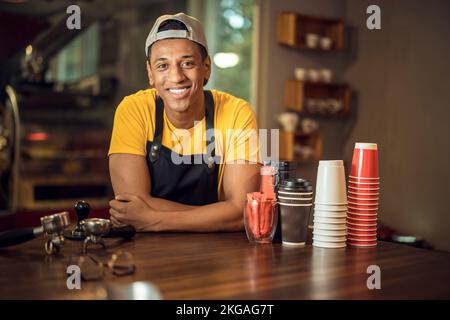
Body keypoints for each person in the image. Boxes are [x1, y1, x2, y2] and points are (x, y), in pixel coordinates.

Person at [108, 13, 260, 232]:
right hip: (147, 255)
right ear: (150, 73)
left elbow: (240, 212)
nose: (176, 76)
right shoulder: (134, 110)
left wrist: (152, 219)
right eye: (163, 66)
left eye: (187, 63)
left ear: (206, 67)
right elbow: (129, 207)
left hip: (219, 255)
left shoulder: (237, 113)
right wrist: (218, 214)